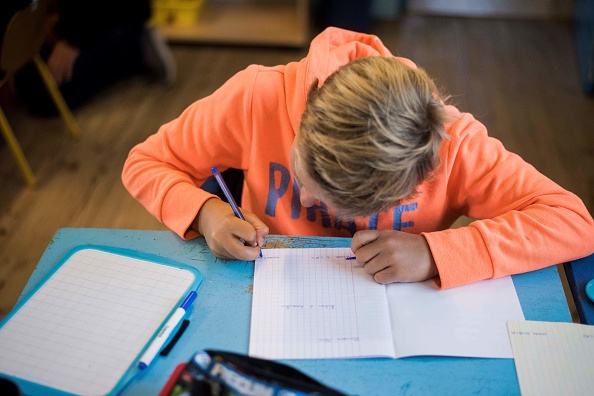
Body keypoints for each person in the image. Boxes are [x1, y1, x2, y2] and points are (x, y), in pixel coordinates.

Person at [121, 27, 594, 289]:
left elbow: (574, 221)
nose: (300, 195)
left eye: (325, 198)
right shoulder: (257, 97)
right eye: (301, 173)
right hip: (261, 291)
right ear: (306, 117)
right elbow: (145, 161)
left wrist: (436, 253)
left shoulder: (456, 145)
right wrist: (208, 214)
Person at [12, 0, 176, 116]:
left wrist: (72, 40)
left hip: (116, 18)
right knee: (25, 82)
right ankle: (130, 50)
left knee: (47, 96)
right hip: (91, 20)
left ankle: (135, 49)